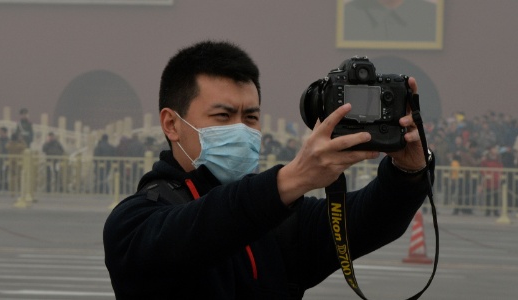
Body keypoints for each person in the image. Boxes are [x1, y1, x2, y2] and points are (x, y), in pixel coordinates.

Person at [103, 40, 433, 299]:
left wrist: (408, 172)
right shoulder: (133, 224)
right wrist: (293, 178)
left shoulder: (282, 223)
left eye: (250, 117)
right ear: (171, 124)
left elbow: (367, 219)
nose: (241, 129)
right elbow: (200, 228)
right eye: (222, 116)